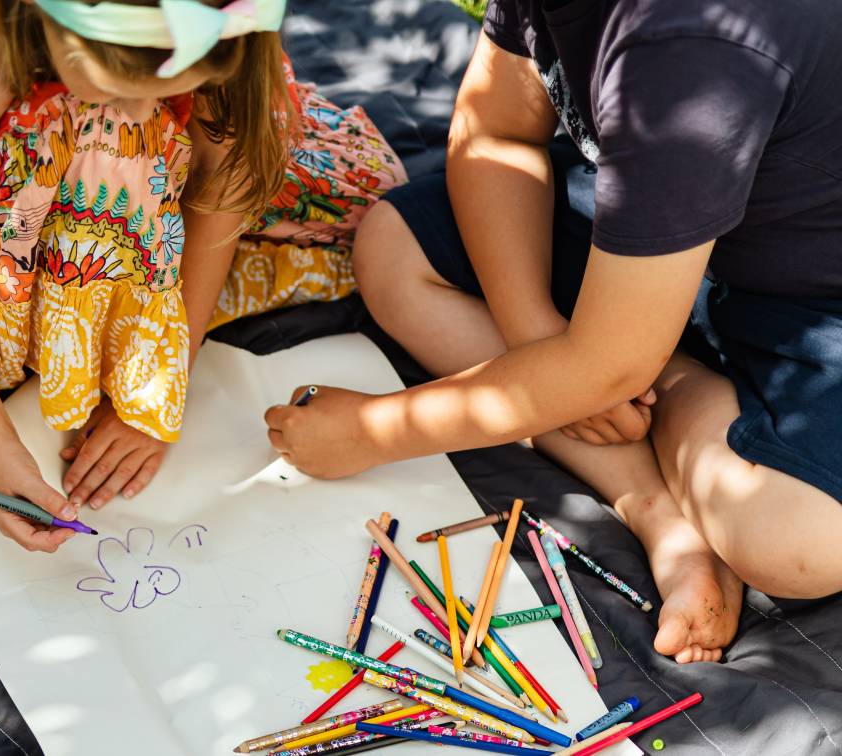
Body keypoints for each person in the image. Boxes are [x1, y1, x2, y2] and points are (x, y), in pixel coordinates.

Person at [265, 0, 842, 663]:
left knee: (797, 544)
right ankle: (660, 510)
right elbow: (497, 135)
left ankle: (662, 374)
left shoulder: (691, 45)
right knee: (395, 252)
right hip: (656, 236)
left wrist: (374, 431)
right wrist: (533, 332)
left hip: (811, 300)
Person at [0, 0, 404, 551]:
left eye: (170, 93)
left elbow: (224, 184)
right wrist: (0, 449)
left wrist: (163, 381)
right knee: (117, 154)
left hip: (65, 93)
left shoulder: (215, 20)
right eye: (128, 89)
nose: (156, 120)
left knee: (349, 199)